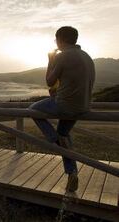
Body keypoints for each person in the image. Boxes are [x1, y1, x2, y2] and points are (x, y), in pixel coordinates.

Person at [29, 26, 95, 192]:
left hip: (65, 106)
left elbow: (50, 82)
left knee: (33, 109)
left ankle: (53, 139)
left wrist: (51, 60)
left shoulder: (62, 56)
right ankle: (72, 173)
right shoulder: (87, 56)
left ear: (60, 39)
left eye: (55, 39)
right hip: (83, 107)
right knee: (64, 134)